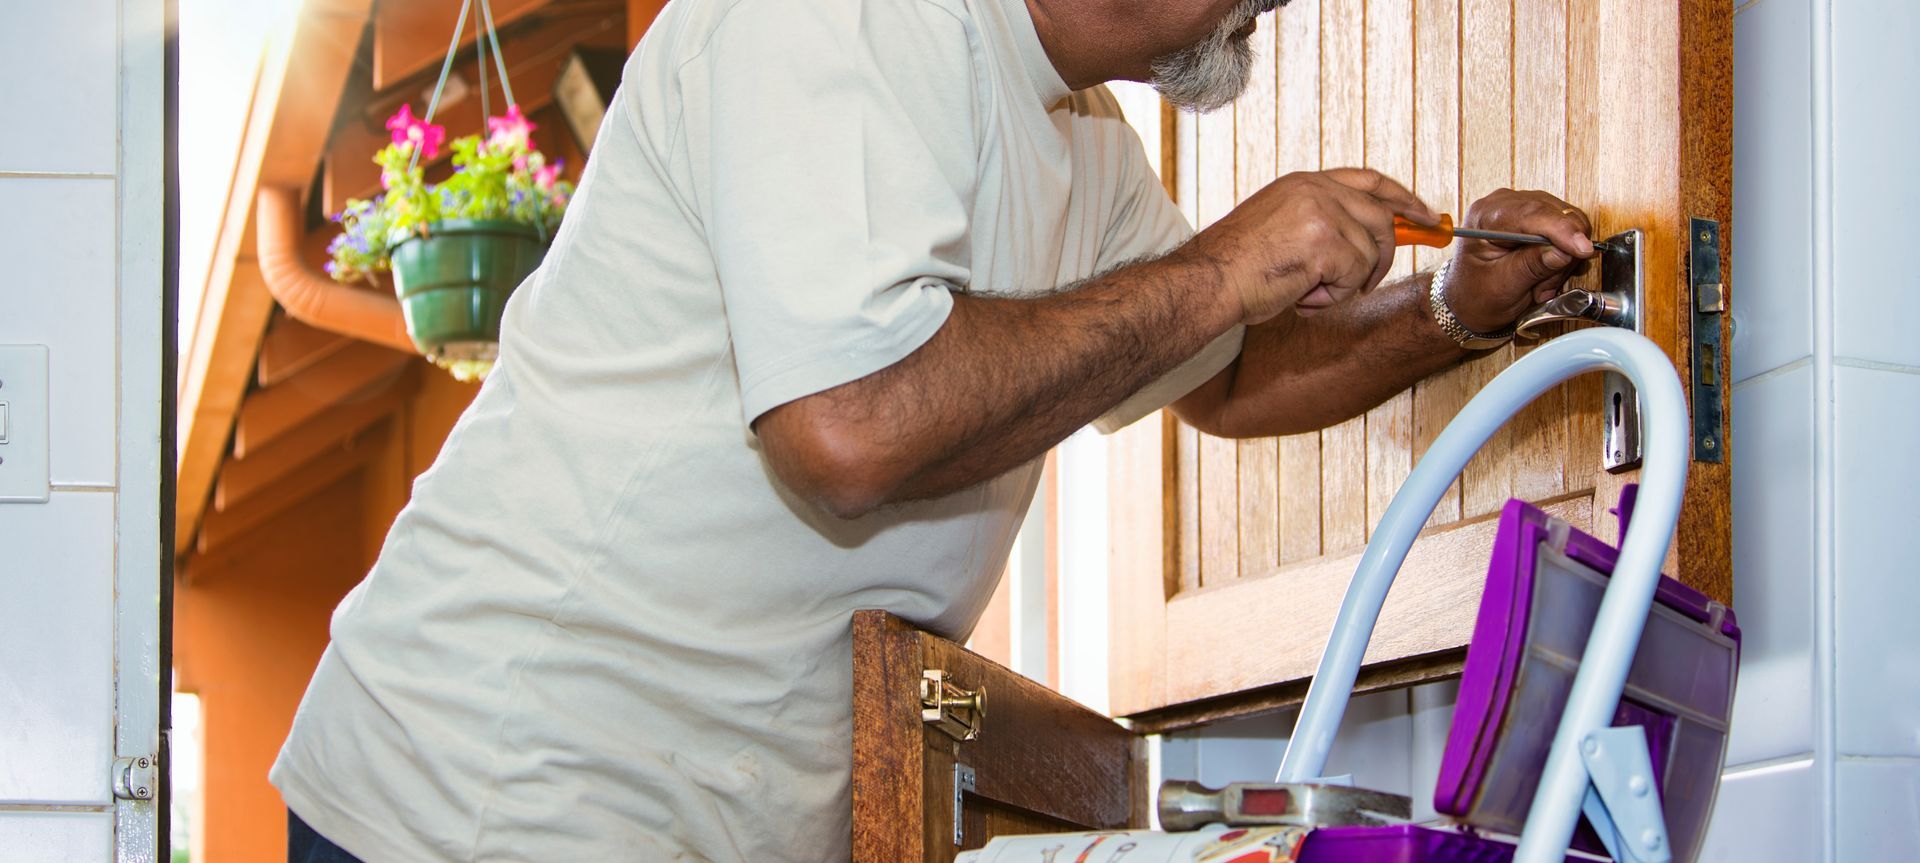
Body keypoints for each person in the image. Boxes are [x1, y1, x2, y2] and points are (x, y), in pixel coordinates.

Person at [271, 0, 1599, 859]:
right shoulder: (836, 21)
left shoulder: (1084, 141)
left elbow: (1228, 372)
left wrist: (1451, 309)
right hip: (483, 798)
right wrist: (1218, 267)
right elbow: (848, 425)